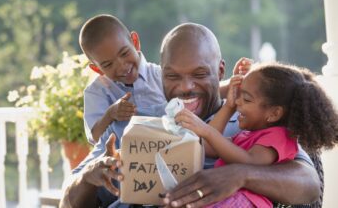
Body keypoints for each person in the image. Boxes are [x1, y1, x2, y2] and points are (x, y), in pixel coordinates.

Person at [60, 23, 321, 208]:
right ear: (160, 74)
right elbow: (68, 202)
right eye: (172, 76)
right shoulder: (133, 126)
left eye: (199, 75)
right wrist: (90, 177)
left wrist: (239, 174)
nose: (185, 87)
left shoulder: (250, 122)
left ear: (220, 72)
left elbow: (308, 183)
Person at [174, 61, 338, 207]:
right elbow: (209, 146)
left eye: (246, 99)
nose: (238, 102)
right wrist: (229, 107)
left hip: (244, 201)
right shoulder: (247, 136)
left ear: (274, 114)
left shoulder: (279, 137)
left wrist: (207, 130)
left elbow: (249, 162)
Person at [79, 14, 167, 146]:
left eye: (124, 53)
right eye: (108, 65)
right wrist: (110, 114)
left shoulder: (162, 76)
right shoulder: (97, 92)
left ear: (135, 42)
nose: (121, 66)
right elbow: (96, 138)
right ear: (97, 69)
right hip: (123, 161)